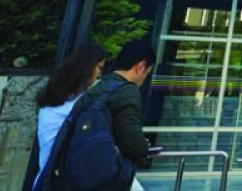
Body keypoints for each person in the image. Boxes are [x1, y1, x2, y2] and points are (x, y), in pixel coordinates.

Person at [21, 42, 107, 190]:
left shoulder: (52, 98)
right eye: (99, 67)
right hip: (60, 182)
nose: (99, 74)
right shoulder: (80, 104)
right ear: (87, 67)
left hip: (46, 180)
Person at [79, 38, 156, 190]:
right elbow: (132, 144)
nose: (144, 79)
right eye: (147, 73)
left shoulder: (100, 86)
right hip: (105, 174)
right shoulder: (127, 91)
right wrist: (144, 147)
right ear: (141, 66)